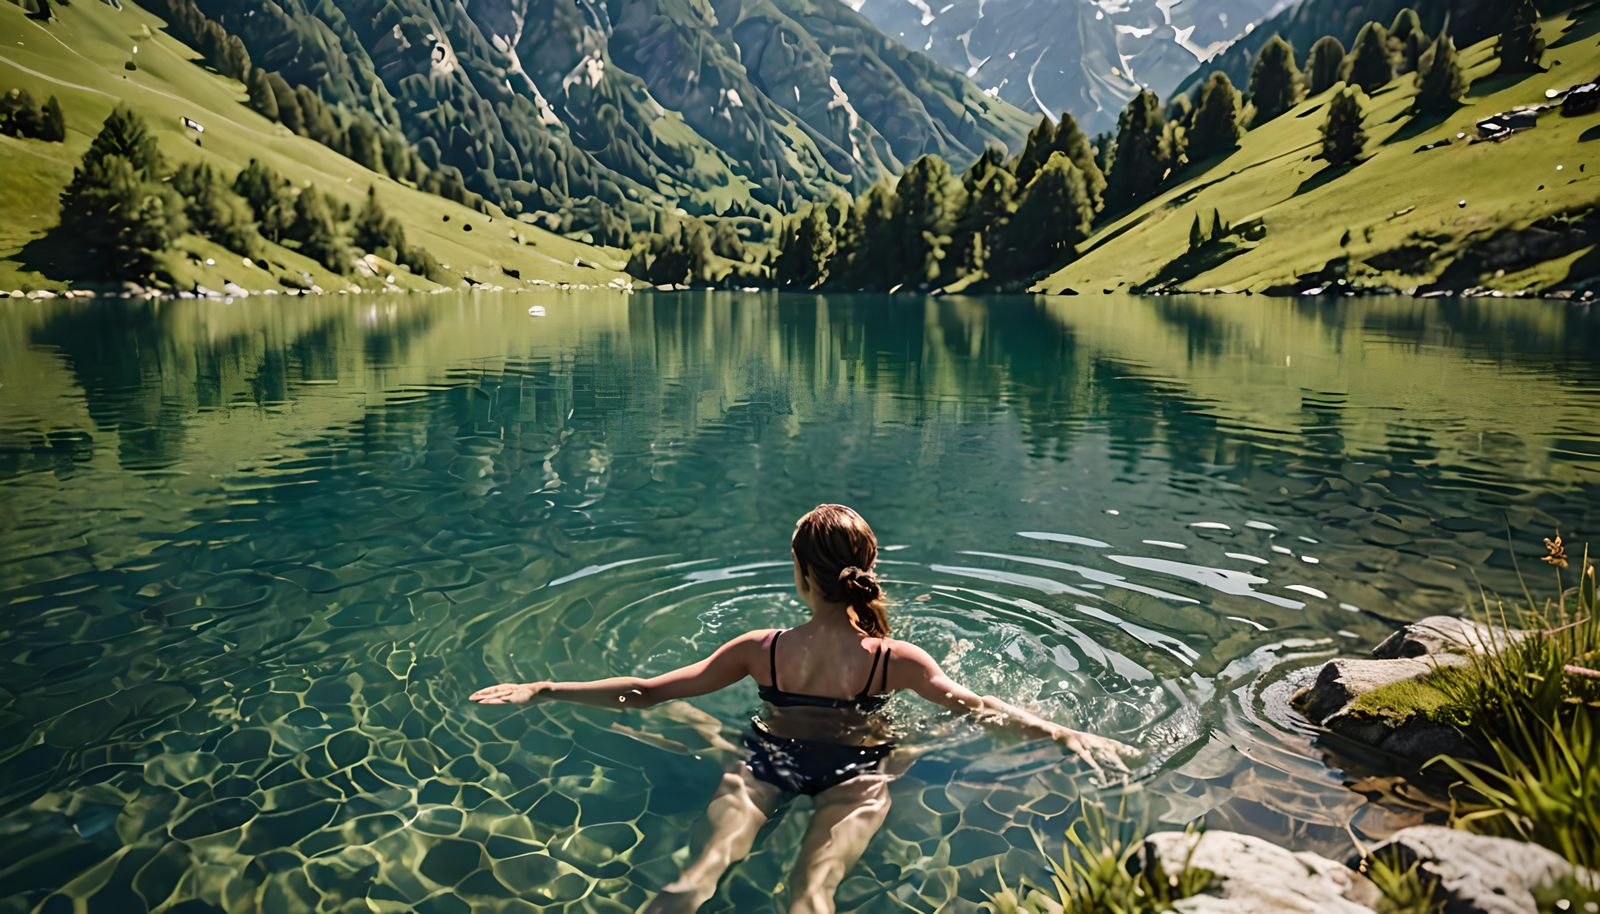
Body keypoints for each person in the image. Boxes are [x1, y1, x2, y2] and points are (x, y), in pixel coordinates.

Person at [471, 504, 1136, 914]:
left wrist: (544, 688)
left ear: (799, 573)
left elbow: (647, 691)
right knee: (812, 895)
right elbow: (979, 707)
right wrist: (1060, 731)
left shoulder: (761, 650)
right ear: (868, 566)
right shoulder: (893, 660)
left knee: (697, 876)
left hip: (765, 764)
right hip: (858, 777)